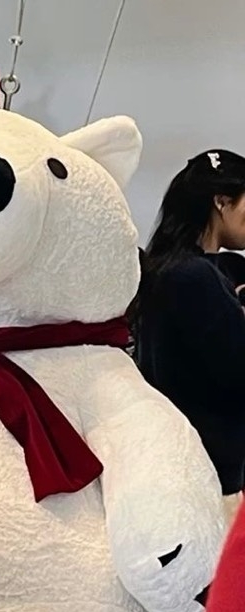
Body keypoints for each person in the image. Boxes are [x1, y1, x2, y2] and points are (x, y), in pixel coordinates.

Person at [132, 150, 245, 497]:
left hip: (183, 460)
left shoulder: (170, 269)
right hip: (210, 471)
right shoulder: (194, 277)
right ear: (222, 202)